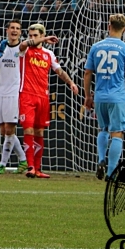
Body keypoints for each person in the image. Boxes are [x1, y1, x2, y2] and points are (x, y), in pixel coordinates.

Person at [14, 23, 79, 178]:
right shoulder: (24, 51)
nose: (32, 38)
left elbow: (59, 71)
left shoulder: (48, 54)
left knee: (40, 132)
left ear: (41, 35)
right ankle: (30, 166)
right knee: (28, 130)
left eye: (35, 35)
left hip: (43, 97)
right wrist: (43, 39)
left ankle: (37, 168)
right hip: (27, 95)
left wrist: (70, 82)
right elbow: (22, 44)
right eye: (30, 35)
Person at [83, 13, 125, 180]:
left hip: (100, 97)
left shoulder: (96, 47)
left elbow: (87, 73)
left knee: (103, 129)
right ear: (124, 29)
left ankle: (100, 159)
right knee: (117, 133)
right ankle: (111, 172)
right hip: (117, 97)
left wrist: (87, 96)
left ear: (109, 26)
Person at [0, 19, 26, 174]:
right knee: (4, 131)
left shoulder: (22, 48)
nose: (14, 31)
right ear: (7, 30)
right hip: (0, 91)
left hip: (15, 92)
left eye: (17, 28)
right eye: (12, 28)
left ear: (20, 32)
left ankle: (2, 164)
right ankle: (23, 160)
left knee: (10, 129)